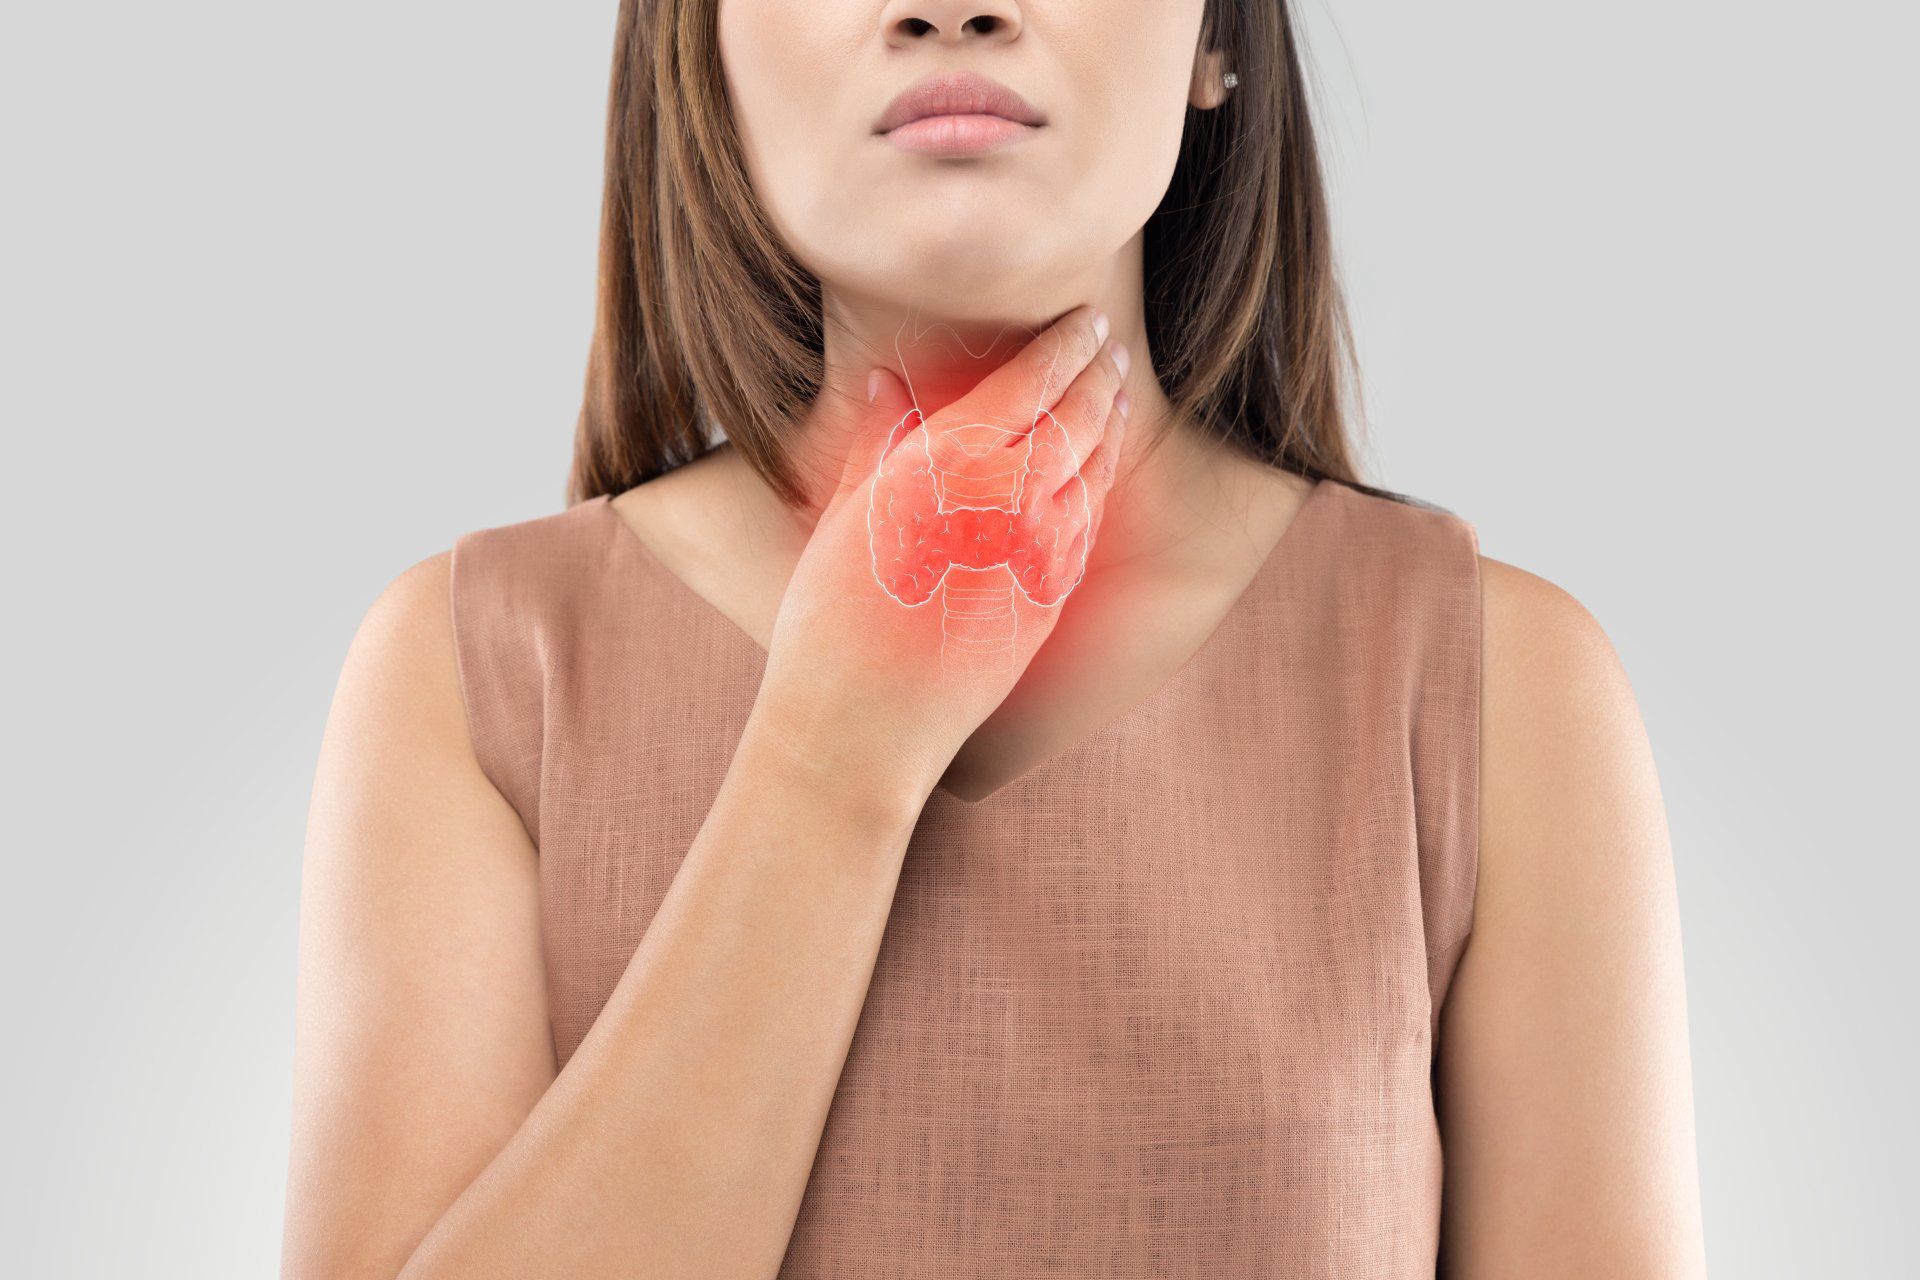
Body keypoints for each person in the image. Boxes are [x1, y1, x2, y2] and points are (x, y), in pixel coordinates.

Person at [282, 2, 1708, 1276]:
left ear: (1218, 39)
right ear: (702, 49)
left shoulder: (1494, 687)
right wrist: (833, 755)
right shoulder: (475, 672)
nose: (948, 9)